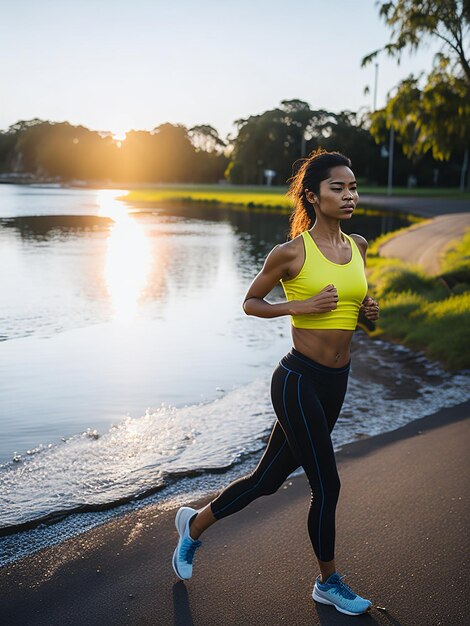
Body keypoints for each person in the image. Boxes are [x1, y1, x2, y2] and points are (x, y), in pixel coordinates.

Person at [172, 149, 380, 617]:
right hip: (296, 380)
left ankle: (193, 526)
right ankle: (328, 583)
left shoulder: (359, 246)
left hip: (336, 381)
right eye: (337, 188)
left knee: (266, 481)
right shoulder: (291, 253)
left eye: (352, 187)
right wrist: (297, 308)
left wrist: (369, 314)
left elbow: (354, 309)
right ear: (312, 195)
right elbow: (250, 302)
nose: (349, 196)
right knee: (327, 485)